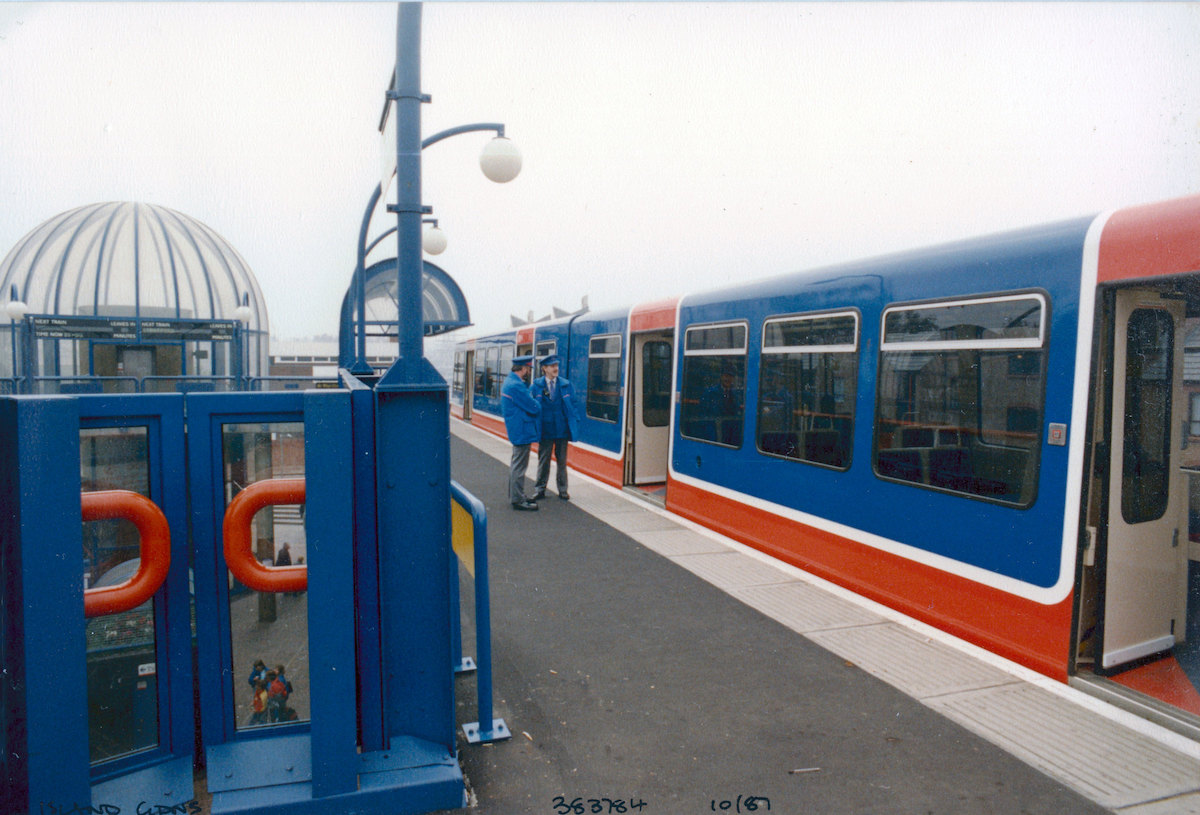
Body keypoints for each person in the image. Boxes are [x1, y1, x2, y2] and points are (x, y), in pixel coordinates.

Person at [530, 355, 579, 500]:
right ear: (544, 368)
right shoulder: (536, 385)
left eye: (556, 365)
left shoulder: (566, 384)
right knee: (543, 460)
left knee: (562, 462)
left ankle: (563, 490)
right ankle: (540, 489)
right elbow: (530, 404)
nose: (555, 368)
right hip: (545, 430)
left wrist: (575, 421)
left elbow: (574, 404)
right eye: (552, 366)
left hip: (562, 430)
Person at [502, 355, 541, 511]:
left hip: (517, 429)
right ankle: (518, 500)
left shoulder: (510, 382)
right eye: (528, 369)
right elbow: (534, 407)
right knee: (519, 466)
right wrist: (534, 400)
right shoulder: (516, 386)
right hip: (522, 430)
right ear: (524, 368)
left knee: (516, 464)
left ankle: (517, 495)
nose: (528, 372)